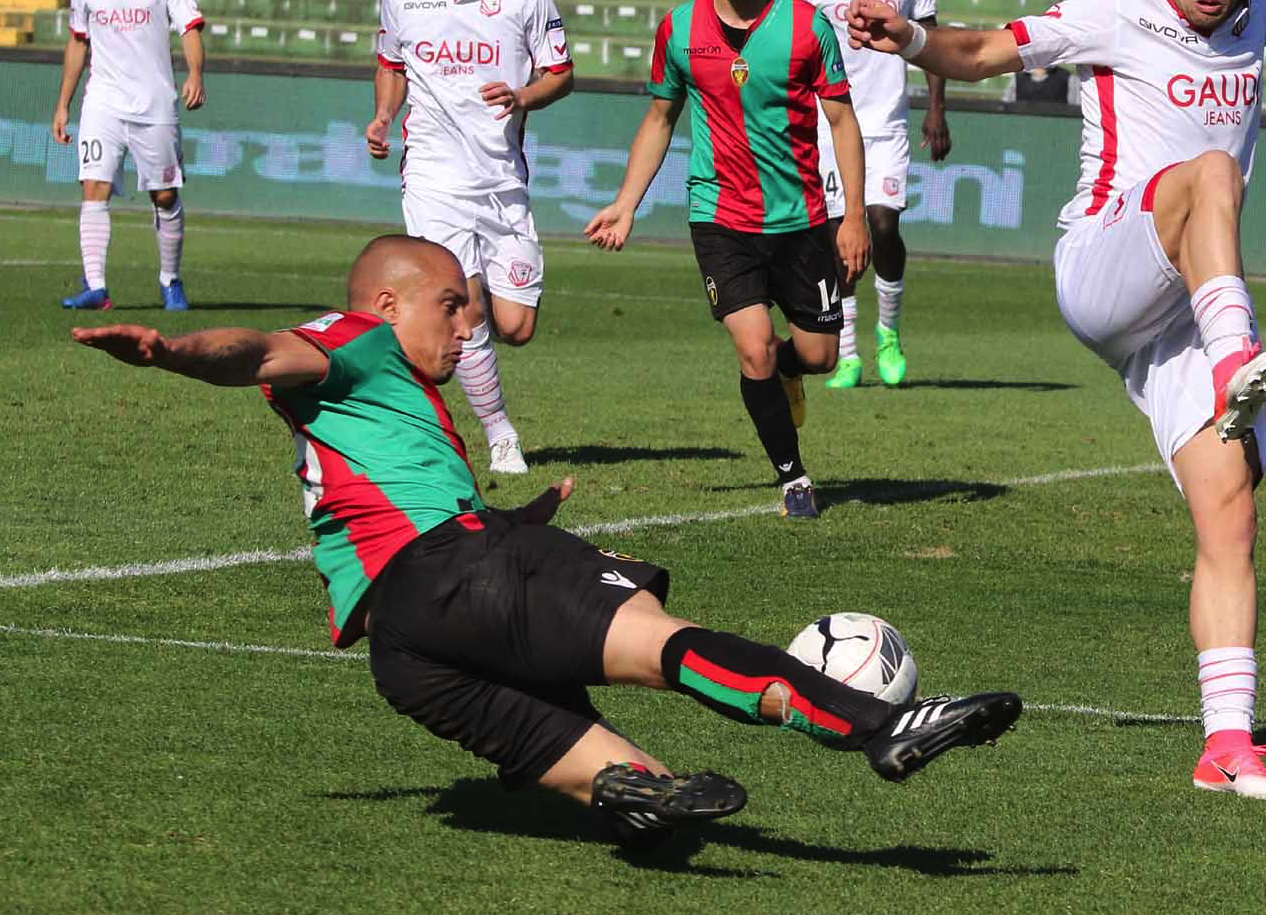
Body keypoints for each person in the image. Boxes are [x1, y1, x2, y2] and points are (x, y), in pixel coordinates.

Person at [71, 234, 1023, 846]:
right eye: (450, 301)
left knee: (639, 778)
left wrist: (518, 522)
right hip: (460, 575)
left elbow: (395, 518)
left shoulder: (381, 408)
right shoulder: (352, 338)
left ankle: (631, 796)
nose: (468, 317)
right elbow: (257, 352)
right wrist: (170, 352)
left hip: (404, 653)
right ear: (390, 303)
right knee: (662, 637)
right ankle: (878, 725)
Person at [848, 0, 1266, 800]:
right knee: (1209, 171)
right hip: (1108, 261)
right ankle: (1238, 359)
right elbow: (990, 49)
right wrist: (911, 41)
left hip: (1187, 305)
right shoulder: (1117, 7)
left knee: (1230, 515)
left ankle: (1225, 744)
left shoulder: (1251, 16)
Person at [584, 0, 868, 520]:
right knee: (753, 348)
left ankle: (786, 373)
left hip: (802, 218)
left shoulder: (807, 27)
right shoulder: (680, 29)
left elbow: (843, 122)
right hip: (720, 217)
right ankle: (793, 477)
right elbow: (661, 118)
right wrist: (626, 204)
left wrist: (855, 216)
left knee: (818, 355)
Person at [365, 0, 573, 475]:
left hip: (503, 182)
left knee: (517, 325)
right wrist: (382, 115)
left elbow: (561, 73)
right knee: (463, 307)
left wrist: (523, 96)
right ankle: (498, 432)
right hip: (433, 176)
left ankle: (489, 413)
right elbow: (391, 64)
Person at [789, 0, 949, 390]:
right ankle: (850, 352)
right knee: (841, 239)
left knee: (882, 224)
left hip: (886, 122)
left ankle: (889, 334)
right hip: (829, 124)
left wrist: (936, 109)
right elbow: (794, 47)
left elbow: (933, 40)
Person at [53, 0, 205, 313]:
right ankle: (96, 287)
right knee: (93, 186)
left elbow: (190, 29)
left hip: (154, 102)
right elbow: (77, 42)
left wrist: (195, 73)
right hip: (102, 101)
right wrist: (63, 103)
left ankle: (170, 280)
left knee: (164, 195)